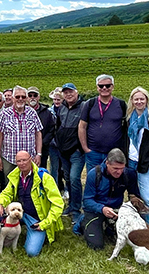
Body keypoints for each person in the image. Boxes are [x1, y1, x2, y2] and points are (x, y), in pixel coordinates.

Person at [0, 151, 64, 257]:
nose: (22, 163)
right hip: (19, 212)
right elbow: (6, 193)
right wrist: (0, 203)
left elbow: (58, 204)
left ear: (31, 159)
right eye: (19, 161)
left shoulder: (44, 177)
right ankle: (4, 231)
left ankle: (40, 234)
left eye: (24, 160)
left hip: (37, 219)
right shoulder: (16, 175)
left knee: (31, 252)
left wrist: (45, 223)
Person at [75, 148, 140, 250]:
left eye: (122, 168)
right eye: (115, 168)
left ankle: (109, 227)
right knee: (96, 246)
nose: (119, 172)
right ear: (107, 163)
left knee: (123, 239)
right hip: (95, 209)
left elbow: (134, 196)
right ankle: (82, 221)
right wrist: (102, 209)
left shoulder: (129, 174)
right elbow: (87, 200)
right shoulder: (94, 174)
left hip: (116, 210)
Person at [125, 87, 149, 225]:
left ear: (146, 100)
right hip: (130, 161)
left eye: (142, 99)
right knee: (133, 196)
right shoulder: (128, 119)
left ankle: (148, 227)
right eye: (136, 99)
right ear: (132, 101)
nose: (139, 101)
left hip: (145, 163)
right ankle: (136, 225)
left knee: (146, 198)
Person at [0, 86, 43, 186]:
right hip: (9, 158)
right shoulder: (5, 114)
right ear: (12, 98)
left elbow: (38, 133)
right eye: (17, 97)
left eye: (23, 97)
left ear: (26, 98)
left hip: (29, 158)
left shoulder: (32, 113)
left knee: (29, 185)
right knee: (10, 185)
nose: (20, 99)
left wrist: (38, 154)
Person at [79, 74, 127, 172]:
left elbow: (127, 127)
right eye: (101, 86)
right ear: (97, 87)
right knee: (94, 179)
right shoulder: (90, 104)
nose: (104, 88)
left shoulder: (121, 104)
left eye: (108, 85)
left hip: (114, 153)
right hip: (93, 152)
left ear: (112, 87)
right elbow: (82, 126)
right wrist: (85, 148)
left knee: (113, 181)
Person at [55, 83, 86, 223]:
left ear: (76, 92)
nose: (68, 94)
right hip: (63, 151)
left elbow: (86, 127)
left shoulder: (84, 107)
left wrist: (81, 147)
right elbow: (58, 126)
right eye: (65, 92)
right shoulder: (61, 108)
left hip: (76, 151)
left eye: (71, 92)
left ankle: (76, 209)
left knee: (74, 179)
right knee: (67, 178)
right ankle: (71, 206)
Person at [27, 86, 56, 169]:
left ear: (38, 97)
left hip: (43, 149)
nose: (32, 98)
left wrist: (42, 143)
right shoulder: (22, 111)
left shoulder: (47, 112)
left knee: (40, 172)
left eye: (35, 95)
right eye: (30, 95)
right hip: (25, 148)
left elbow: (51, 130)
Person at [48, 88, 66, 198]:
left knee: (65, 169)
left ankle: (67, 190)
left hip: (65, 145)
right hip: (53, 144)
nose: (56, 101)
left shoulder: (66, 110)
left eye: (58, 99)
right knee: (54, 169)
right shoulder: (50, 111)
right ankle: (55, 190)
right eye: (55, 99)